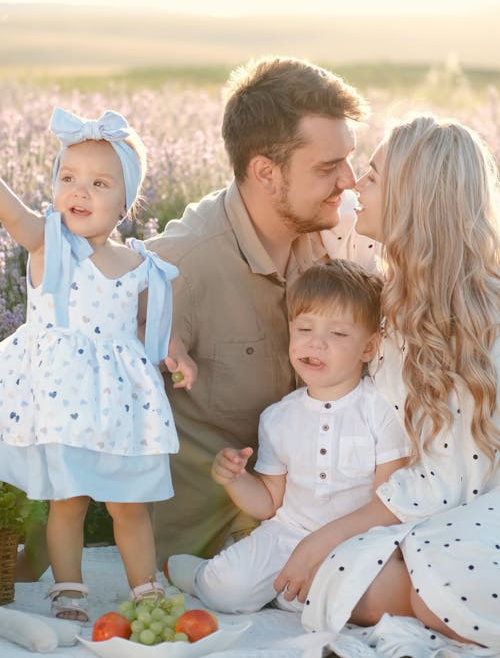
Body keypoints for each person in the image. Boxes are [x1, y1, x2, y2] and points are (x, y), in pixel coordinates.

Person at [273, 115, 500, 650]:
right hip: (420, 516)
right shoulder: (381, 269)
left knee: (411, 587)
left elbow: (450, 482)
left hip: (469, 506)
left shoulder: (470, 320)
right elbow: (313, 206)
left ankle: (429, 607)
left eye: (371, 177)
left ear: (412, 202)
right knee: (343, 586)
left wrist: (327, 534)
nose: (353, 184)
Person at [147, 56, 379, 562]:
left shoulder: (325, 244)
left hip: (312, 529)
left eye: (349, 160)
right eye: (326, 168)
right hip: (209, 551)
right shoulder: (179, 267)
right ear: (265, 173)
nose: (348, 181)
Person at [0, 107, 196, 621]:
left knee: (129, 503)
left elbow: (146, 326)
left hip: (118, 406)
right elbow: (11, 210)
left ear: (126, 203)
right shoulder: (48, 243)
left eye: (99, 183)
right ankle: (69, 588)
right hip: (63, 402)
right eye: (68, 179)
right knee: (69, 501)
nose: (79, 192)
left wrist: (176, 352)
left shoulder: (138, 263)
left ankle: (144, 588)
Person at [166, 259, 409, 613]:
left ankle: (288, 592)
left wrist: (329, 543)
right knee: (227, 591)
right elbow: (268, 503)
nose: (316, 344)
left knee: (362, 591)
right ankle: (203, 575)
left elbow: (389, 502)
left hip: (356, 539)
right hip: (288, 533)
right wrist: (235, 479)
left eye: (338, 334)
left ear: (369, 348)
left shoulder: (380, 409)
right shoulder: (279, 417)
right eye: (305, 329)